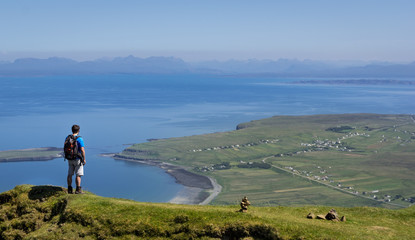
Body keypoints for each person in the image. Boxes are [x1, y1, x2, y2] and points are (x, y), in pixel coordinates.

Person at [66, 124, 86, 194]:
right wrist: (84, 159)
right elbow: (82, 150)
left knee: (70, 174)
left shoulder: (68, 137)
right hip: (77, 159)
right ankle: (78, 190)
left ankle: (69, 189)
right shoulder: (79, 139)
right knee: (78, 175)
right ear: (78, 130)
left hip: (69, 158)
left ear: (72, 130)